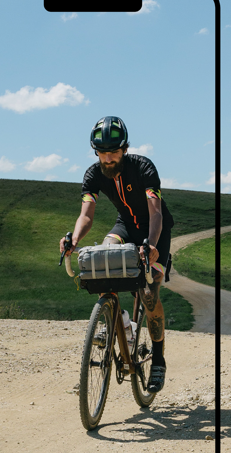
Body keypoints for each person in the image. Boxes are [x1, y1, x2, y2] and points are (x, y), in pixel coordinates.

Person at [60, 115, 174, 392]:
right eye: (102, 152)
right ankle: (117, 320)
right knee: (101, 261)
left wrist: (152, 245)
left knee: (149, 294)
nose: (108, 158)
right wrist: (73, 239)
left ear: (124, 149)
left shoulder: (143, 167)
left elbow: (155, 211)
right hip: (125, 226)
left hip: (156, 229)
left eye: (113, 152)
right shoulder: (93, 174)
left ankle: (158, 359)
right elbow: (86, 215)